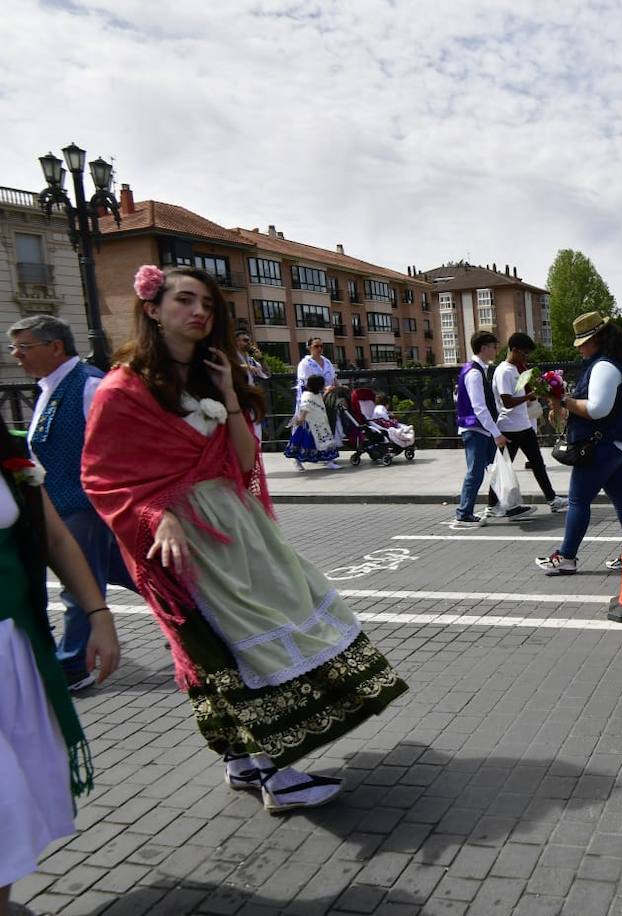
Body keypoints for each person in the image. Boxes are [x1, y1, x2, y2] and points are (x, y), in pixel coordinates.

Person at [81, 265, 408, 815]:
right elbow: (101, 477)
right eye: (185, 300)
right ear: (153, 310)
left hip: (236, 527)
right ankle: (277, 776)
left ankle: (242, 761)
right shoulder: (122, 389)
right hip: (181, 540)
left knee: (253, 635)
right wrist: (155, 514)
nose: (199, 311)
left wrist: (231, 397)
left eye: (207, 302)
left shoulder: (212, 376)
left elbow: (239, 461)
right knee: (230, 646)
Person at [1, 428, 121, 916]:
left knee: (19, 787)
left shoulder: (8, 450)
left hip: (12, 647)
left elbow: (53, 536)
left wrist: (99, 614)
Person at [7, 314, 136, 692]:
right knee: (125, 573)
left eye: (24, 347)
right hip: (64, 504)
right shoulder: (51, 385)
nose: (16, 355)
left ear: (55, 347)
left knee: (80, 585)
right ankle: (195, 617)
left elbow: (121, 446)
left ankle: (74, 665)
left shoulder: (90, 385)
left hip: (86, 505)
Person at [536, 312, 622, 576]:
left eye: (583, 342)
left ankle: (567, 556)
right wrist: (564, 404)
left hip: (602, 446)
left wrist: (563, 401)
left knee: (578, 500)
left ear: (596, 340)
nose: (580, 348)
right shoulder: (610, 364)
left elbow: (597, 409)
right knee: (621, 499)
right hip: (617, 444)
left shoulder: (603, 367)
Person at [485, 332, 567, 516]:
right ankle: (491, 506)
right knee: (502, 467)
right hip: (509, 428)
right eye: (524, 353)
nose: (525, 357)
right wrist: (529, 397)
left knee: (538, 464)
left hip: (523, 425)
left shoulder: (515, 369)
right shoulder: (504, 371)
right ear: (513, 350)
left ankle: (552, 500)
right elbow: (506, 402)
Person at [454, 332, 528, 526]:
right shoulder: (474, 373)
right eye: (494, 347)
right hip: (476, 429)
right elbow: (479, 407)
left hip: (481, 429)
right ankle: (464, 513)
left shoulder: (476, 370)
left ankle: (504, 505)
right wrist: (496, 433)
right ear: (484, 347)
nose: (497, 350)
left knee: (496, 468)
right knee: (476, 471)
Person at [284, 375, 342, 470]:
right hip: (310, 424)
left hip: (321, 423)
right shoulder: (307, 395)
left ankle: (329, 461)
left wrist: (328, 391)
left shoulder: (317, 394)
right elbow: (305, 408)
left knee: (326, 442)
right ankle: (297, 462)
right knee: (303, 444)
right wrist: (301, 418)